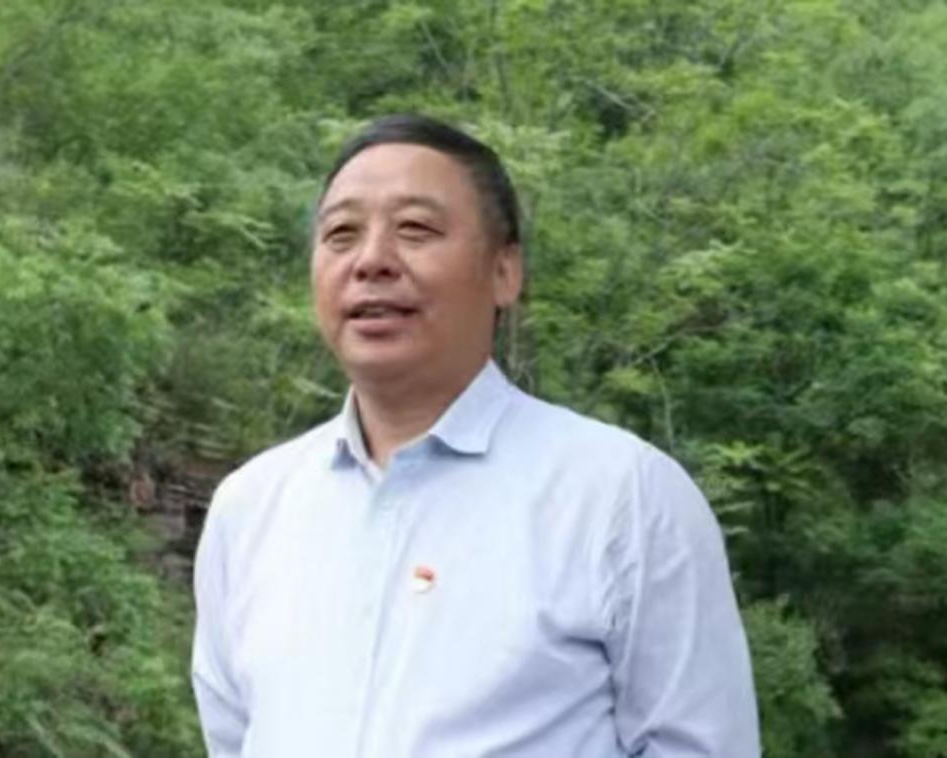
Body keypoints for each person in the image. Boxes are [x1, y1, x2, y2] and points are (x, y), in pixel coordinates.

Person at [191, 114, 761, 757]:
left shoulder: (621, 495)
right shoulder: (251, 507)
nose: (371, 260)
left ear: (504, 271)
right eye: (341, 234)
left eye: (415, 229)